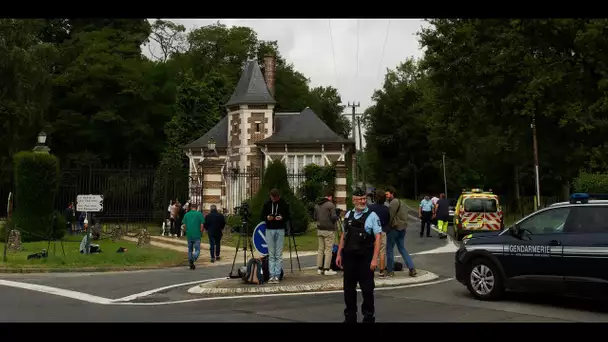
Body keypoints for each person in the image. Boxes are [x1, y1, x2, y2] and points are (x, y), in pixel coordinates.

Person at [336, 187, 382, 323]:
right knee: (348, 290)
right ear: (353, 200)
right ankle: (350, 316)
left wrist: (375, 259)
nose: (363, 201)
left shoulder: (372, 216)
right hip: (349, 258)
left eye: (364, 199)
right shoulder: (348, 215)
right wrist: (339, 254)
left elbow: (378, 238)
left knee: (367, 289)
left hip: (365, 258)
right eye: (360, 199)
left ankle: (368, 316)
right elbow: (344, 235)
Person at [385, 187, 417, 277]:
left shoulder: (393, 203)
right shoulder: (401, 202)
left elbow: (390, 216)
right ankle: (411, 268)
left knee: (389, 249)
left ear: (392, 193)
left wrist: (387, 226)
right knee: (402, 249)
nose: (386, 197)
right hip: (402, 228)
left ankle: (390, 270)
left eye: (387, 194)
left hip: (394, 229)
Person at [261, 188, 291, 284]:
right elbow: (261, 216)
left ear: (278, 196)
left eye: (275, 197)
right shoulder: (266, 204)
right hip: (269, 229)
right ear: (270, 196)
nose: (274, 199)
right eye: (272, 197)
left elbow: (288, 216)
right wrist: (267, 218)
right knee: (271, 253)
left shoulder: (284, 204)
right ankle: (271, 275)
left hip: (280, 229)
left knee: (278, 254)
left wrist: (282, 217)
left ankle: (277, 275)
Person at [314, 189, 338, 276]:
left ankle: (319, 268)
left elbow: (315, 217)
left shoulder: (317, 205)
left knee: (320, 249)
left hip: (320, 229)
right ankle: (327, 269)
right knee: (328, 250)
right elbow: (333, 218)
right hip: (329, 230)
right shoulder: (330, 205)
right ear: (330, 197)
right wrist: (337, 215)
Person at [368, 191, 390, 278]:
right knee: (382, 251)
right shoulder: (386, 209)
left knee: (371, 250)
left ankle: (370, 269)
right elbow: (387, 220)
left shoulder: (370, 207)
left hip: (371, 231)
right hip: (382, 231)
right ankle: (381, 271)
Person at [182, 203, 205, 270]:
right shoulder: (199, 214)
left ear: (190, 207)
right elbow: (202, 225)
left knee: (190, 249)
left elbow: (184, 225)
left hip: (189, 235)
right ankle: (193, 258)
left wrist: (186, 231)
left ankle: (190, 261)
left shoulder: (186, 214)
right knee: (197, 249)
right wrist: (201, 232)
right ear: (196, 207)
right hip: (197, 234)